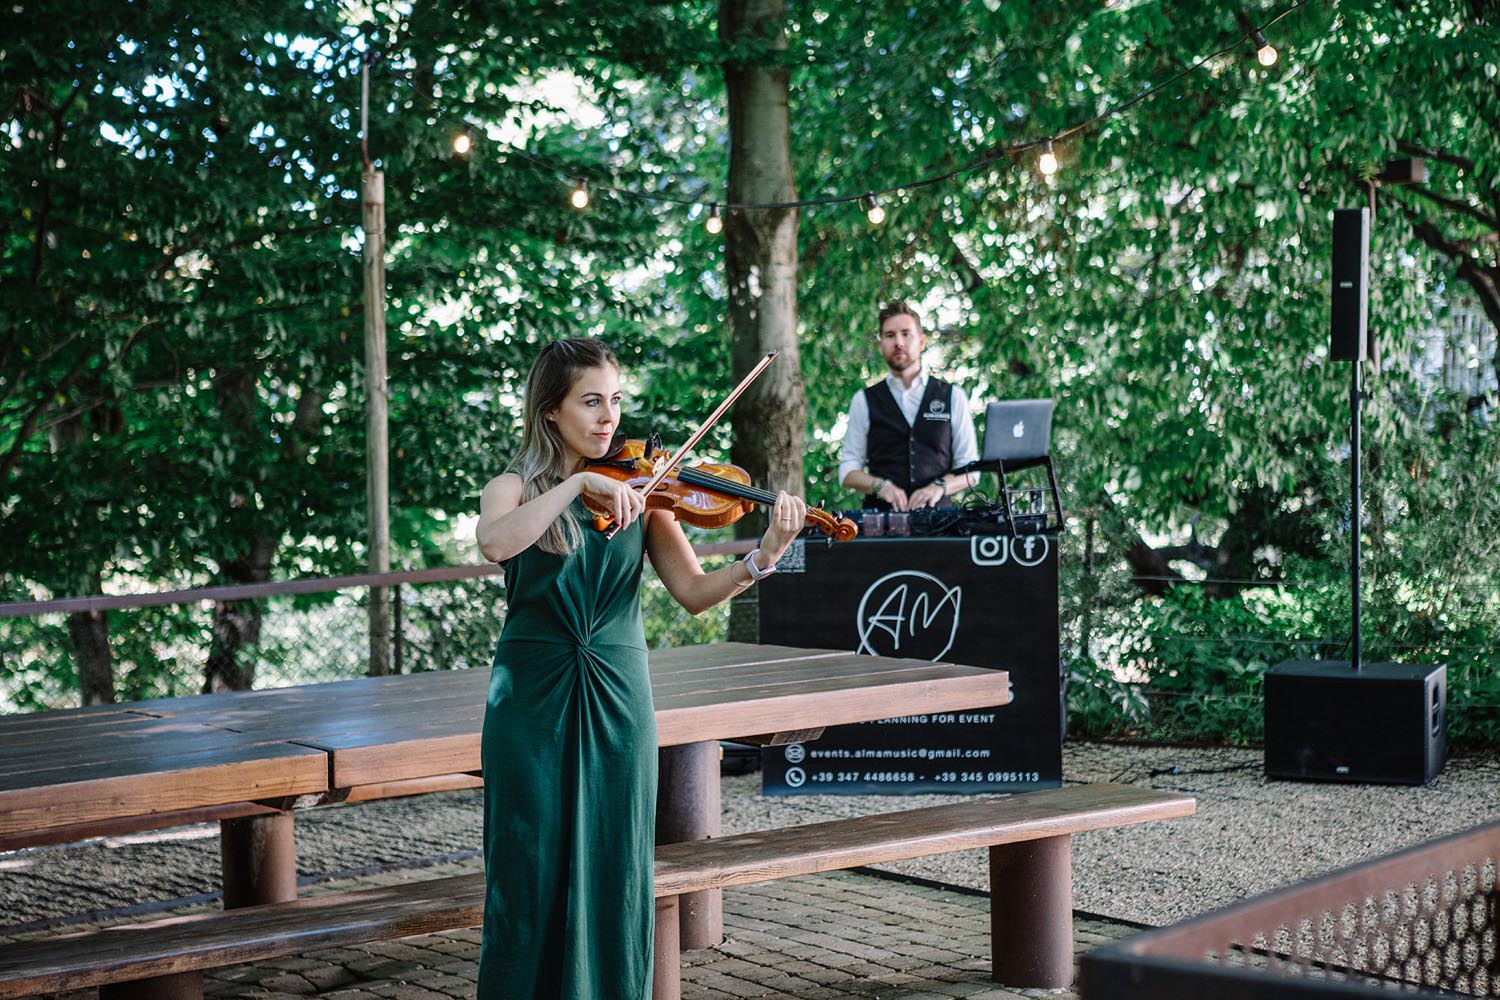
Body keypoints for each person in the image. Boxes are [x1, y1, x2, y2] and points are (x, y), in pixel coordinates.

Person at [473, 337, 806, 999]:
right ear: (550, 410)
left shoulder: (643, 491)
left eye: (616, 400)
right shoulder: (511, 488)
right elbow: (494, 542)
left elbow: (695, 592)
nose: (609, 418)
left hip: (619, 696)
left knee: (616, 862)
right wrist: (576, 484)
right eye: (591, 401)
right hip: (530, 702)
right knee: (526, 864)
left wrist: (764, 556)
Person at [838, 300, 979, 511]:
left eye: (906, 334)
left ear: (921, 342)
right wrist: (880, 486)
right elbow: (847, 471)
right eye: (890, 335)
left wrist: (939, 487)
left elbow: (971, 471)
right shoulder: (863, 400)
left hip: (940, 523)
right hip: (881, 522)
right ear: (880, 345)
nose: (899, 342)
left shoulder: (953, 396)